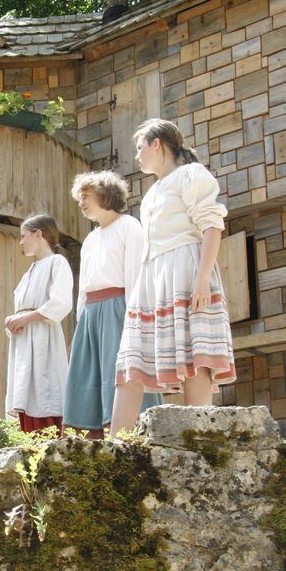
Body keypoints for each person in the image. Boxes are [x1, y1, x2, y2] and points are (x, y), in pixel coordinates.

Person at [109, 118, 236, 436]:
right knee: (131, 360)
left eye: (140, 148)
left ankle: (200, 434)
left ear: (157, 144)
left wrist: (203, 278)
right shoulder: (152, 192)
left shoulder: (191, 175)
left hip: (185, 269)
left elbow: (211, 226)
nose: (137, 157)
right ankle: (116, 443)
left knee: (196, 353)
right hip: (153, 276)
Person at [63, 171, 163, 439]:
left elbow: (136, 276)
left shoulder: (129, 226)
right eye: (79, 197)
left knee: (117, 372)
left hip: (119, 308)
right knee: (89, 374)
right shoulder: (91, 239)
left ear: (104, 194)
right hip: (91, 314)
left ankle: (131, 432)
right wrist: (80, 326)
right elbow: (84, 288)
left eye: (86, 196)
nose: (81, 202)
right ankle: (94, 437)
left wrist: (135, 318)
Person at [5, 214, 74, 433]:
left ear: (39, 234)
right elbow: (23, 308)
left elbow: (61, 302)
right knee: (25, 389)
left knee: (45, 387)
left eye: (24, 236)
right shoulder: (29, 273)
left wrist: (26, 317)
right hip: (25, 341)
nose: (21, 242)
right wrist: (13, 320)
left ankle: (49, 443)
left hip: (43, 338)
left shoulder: (57, 262)